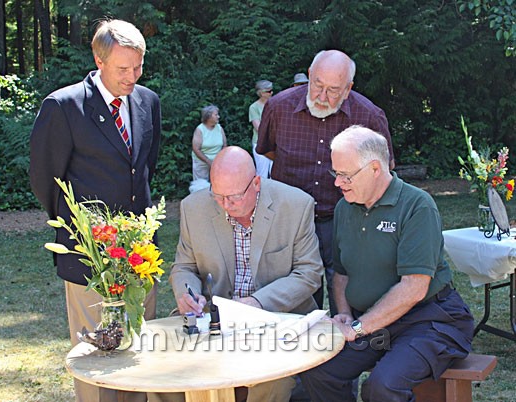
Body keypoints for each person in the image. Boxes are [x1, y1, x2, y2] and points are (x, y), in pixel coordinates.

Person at [30, 19, 160, 402]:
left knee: (138, 353)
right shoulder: (64, 106)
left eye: (138, 67)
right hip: (90, 258)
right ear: (98, 60)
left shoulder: (148, 101)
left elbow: (143, 167)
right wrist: (84, 232)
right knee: (95, 357)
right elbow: (47, 180)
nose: (132, 77)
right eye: (123, 69)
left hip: (139, 255)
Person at [299, 126, 475, 402]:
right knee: (320, 372)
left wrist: (357, 328)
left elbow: (414, 288)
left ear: (375, 169)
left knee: (383, 387)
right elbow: (341, 274)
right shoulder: (344, 208)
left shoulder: (417, 206)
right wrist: (345, 314)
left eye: (346, 175)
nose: (337, 182)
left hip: (428, 321)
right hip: (374, 322)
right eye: (336, 173)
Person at [170, 146, 323, 402]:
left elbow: (309, 273)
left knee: (273, 380)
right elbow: (184, 267)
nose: (225, 205)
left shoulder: (295, 205)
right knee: (166, 377)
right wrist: (188, 293)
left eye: (234, 197)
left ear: (257, 183)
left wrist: (256, 303)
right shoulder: (193, 208)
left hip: (276, 321)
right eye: (217, 196)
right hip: (214, 324)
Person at [256, 49, 395, 316]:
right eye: (317, 85)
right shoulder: (278, 107)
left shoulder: (369, 117)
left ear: (348, 88)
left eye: (333, 90)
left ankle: (350, 350)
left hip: (348, 219)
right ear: (309, 75)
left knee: (350, 298)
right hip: (290, 221)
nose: (321, 96)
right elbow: (270, 150)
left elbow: (383, 173)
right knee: (295, 303)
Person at [191, 104, 227, 186]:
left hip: (218, 162)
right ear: (208, 117)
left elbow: (224, 145)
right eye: (216, 115)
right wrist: (208, 161)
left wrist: (221, 160)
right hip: (201, 162)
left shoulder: (219, 128)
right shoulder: (200, 130)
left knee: (219, 185)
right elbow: (196, 149)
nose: (218, 117)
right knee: (200, 187)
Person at [248, 80, 273, 178]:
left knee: (275, 173)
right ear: (262, 93)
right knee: (262, 173)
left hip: (274, 144)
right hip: (260, 143)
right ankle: (260, 193)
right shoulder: (253, 107)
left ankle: (273, 193)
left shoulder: (274, 104)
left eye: (272, 90)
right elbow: (258, 128)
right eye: (269, 91)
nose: (272, 93)